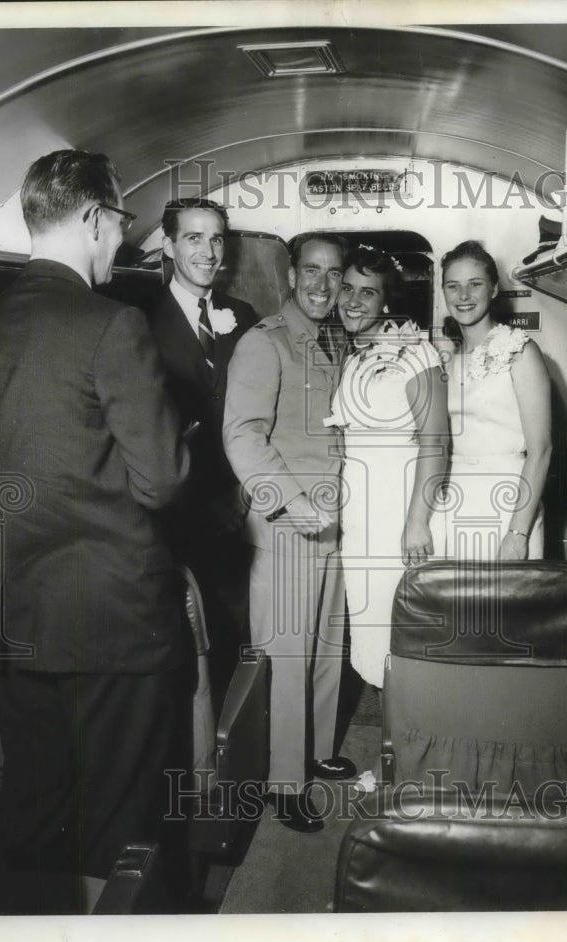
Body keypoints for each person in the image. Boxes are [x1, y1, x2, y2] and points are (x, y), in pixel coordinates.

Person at [0, 150, 189, 908]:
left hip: (13, 620)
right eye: (120, 223)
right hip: (110, 624)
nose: (121, 242)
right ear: (94, 218)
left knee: (34, 812)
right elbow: (160, 481)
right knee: (121, 823)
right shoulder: (113, 324)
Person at [223, 233, 355, 832]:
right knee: (289, 652)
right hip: (286, 525)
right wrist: (293, 504)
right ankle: (284, 783)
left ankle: (318, 751)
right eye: (311, 271)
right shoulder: (264, 343)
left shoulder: (330, 341)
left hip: (327, 523)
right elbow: (243, 436)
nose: (322, 285)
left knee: (328, 646)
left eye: (333, 273)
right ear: (291, 276)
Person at [151, 199, 258, 722]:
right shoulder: (137, 321)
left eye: (216, 239)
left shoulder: (246, 318)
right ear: (168, 246)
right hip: (172, 513)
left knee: (238, 637)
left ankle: (233, 764)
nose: (208, 251)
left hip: (238, 506)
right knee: (182, 647)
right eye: (194, 238)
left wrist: (242, 494)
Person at [328, 245, 449, 690]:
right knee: (372, 638)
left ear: (386, 302)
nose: (353, 301)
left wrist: (417, 523)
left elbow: (437, 443)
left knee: (405, 641)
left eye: (368, 292)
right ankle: (392, 753)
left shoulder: (415, 351)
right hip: (359, 518)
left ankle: (414, 755)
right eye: (347, 289)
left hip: (399, 514)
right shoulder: (352, 355)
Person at [428, 240, 551, 561]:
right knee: (462, 608)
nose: (463, 296)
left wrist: (517, 534)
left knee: (509, 608)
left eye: (475, 285)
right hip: (455, 499)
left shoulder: (520, 351)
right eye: (453, 286)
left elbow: (542, 450)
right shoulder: (447, 359)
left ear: (494, 289)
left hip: (508, 503)